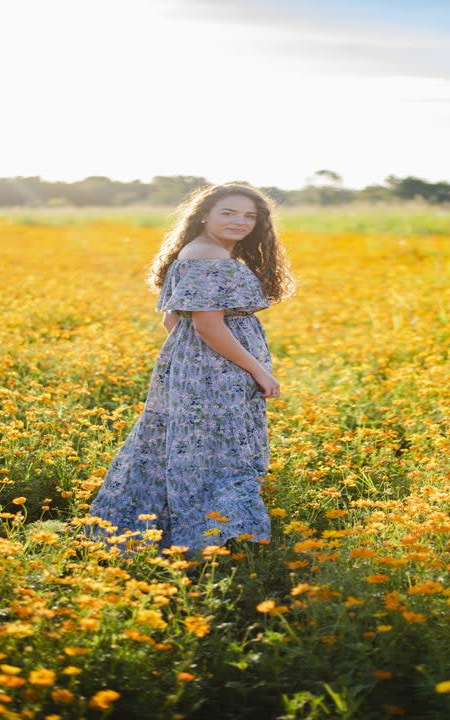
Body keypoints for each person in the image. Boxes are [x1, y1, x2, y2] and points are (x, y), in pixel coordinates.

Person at [85, 182, 296, 558]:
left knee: (184, 447)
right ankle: (207, 539)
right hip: (219, 372)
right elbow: (208, 326)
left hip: (201, 368)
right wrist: (257, 370)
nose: (240, 221)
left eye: (249, 215)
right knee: (220, 452)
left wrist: (192, 360)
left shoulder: (201, 251)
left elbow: (173, 320)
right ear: (204, 214)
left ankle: (150, 534)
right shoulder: (209, 257)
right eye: (228, 213)